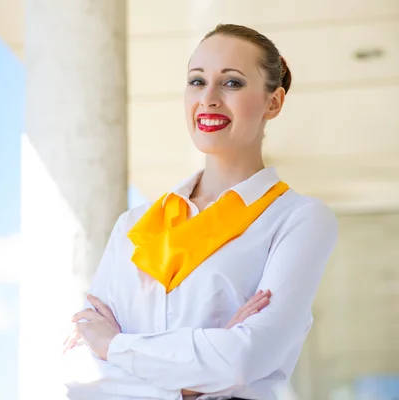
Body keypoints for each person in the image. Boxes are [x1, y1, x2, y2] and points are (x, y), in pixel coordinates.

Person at [61, 23, 338, 400]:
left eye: (232, 83)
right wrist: (195, 383)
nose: (208, 98)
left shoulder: (297, 219)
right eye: (196, 81)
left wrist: (114, 347)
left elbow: (243, 359)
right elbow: (78, 370)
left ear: (273, 102)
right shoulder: (134, 225)